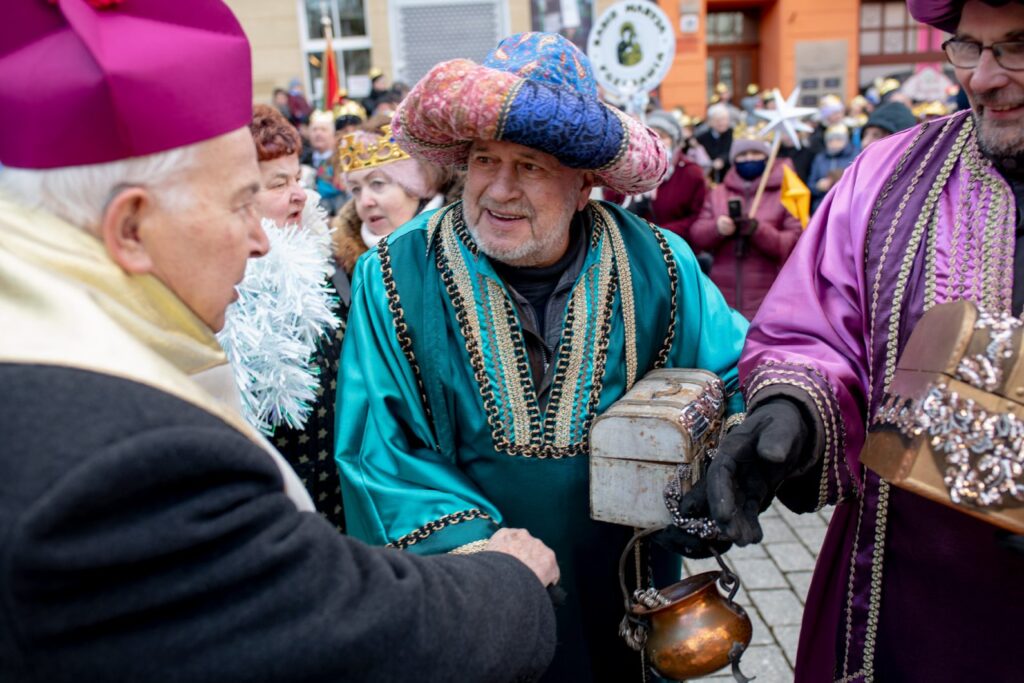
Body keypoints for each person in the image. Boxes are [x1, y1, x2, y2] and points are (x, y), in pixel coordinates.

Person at [0, 2, 561, 680]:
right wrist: (510, 579)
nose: (261, 239)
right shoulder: (130, 461)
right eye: (243, 202)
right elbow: (339, 637)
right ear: (131, 229)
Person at [335, 32, 748, 682]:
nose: (497, 190)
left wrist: (718, 476)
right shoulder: (392, 274)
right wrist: (483, 554)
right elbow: (375, 448)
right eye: (483, 160)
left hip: (626, 584)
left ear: (585, 184)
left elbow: (731, 375)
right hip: (477, 592)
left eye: (529, 166)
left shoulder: (659, 263)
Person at [672, 0, 1024, 680]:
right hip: (898, 603)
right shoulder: (888, 176)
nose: (982, 77)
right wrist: (790, 414)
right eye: (967, 47)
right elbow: (819, 328)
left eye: (1016, 46)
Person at [218, 105, 347, 530]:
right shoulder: (222, 290)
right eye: (279, 183)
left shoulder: (321, 260)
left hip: (339, 490)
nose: (300, 195)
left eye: (297, 178)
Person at [689, 135, 803, 319]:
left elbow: (793, 243)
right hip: (723, 297)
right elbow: (697, 234)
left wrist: (758, 230)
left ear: (767, 157)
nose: (749, 158)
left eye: (755, 153)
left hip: (768, 297)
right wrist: (717, 229)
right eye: (743, 154)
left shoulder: (786, 193)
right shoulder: (718, 193)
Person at [332, 124, 458, 276]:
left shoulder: (468, 255)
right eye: (356, 190)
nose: (365, 202)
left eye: (377, 183)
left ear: (418, 188)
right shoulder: (340, 271)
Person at [603, 110, 708, 239]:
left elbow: (697, 218)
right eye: (650, 135)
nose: (656, 141)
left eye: (663, 136)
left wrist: (659, 234)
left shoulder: (691, 173)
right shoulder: (628, 168)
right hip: (632, 242)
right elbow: (610, 207)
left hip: (673, 244)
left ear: (674, 141)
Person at [301, 109, 348, 215]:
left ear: (333, 135)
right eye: (314, 130)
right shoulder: (302, 159)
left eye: (323, 130)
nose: (318, 133)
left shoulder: (343, 159)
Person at [808, 123, 857, 213]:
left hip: (846, 206)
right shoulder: (820, 158)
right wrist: (818, 186)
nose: (834, 143)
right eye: (830, 140)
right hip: (822, 205)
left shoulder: (855, 156)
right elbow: (810, 184)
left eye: (838, 139)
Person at [697, 103, 735, 184]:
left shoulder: (733, 134)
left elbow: (732, 151)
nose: (722, 123)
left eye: (724, 119)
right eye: (718, 120)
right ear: (710, 122)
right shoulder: (702, 137)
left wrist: (722, 160)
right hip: (710, 177)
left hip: (729, 175)